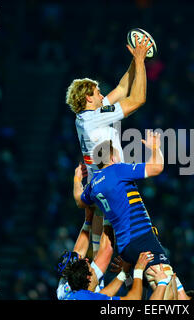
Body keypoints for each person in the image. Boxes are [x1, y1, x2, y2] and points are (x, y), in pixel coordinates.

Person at [65, 33, 154, 258]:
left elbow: (122, 88)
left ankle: (90, 284)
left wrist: (135, 58)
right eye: (97, 93)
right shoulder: (94, 118)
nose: (103, 96)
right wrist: (142, 61)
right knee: (112, 245)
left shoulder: (86, 116)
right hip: (112, 186)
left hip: (99, 186)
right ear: (88, 99)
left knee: (101, 245)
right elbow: (137, 99)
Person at [72, 131, 185, 299]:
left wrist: (76, 179)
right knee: (166, 286)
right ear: (112, 158)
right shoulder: (117, 170)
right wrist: (155, 148)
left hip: (125, 249)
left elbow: (80, 202)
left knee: (148, 289)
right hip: (141, 238)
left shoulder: (94, 185)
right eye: (118, 156)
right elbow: (156, 167)